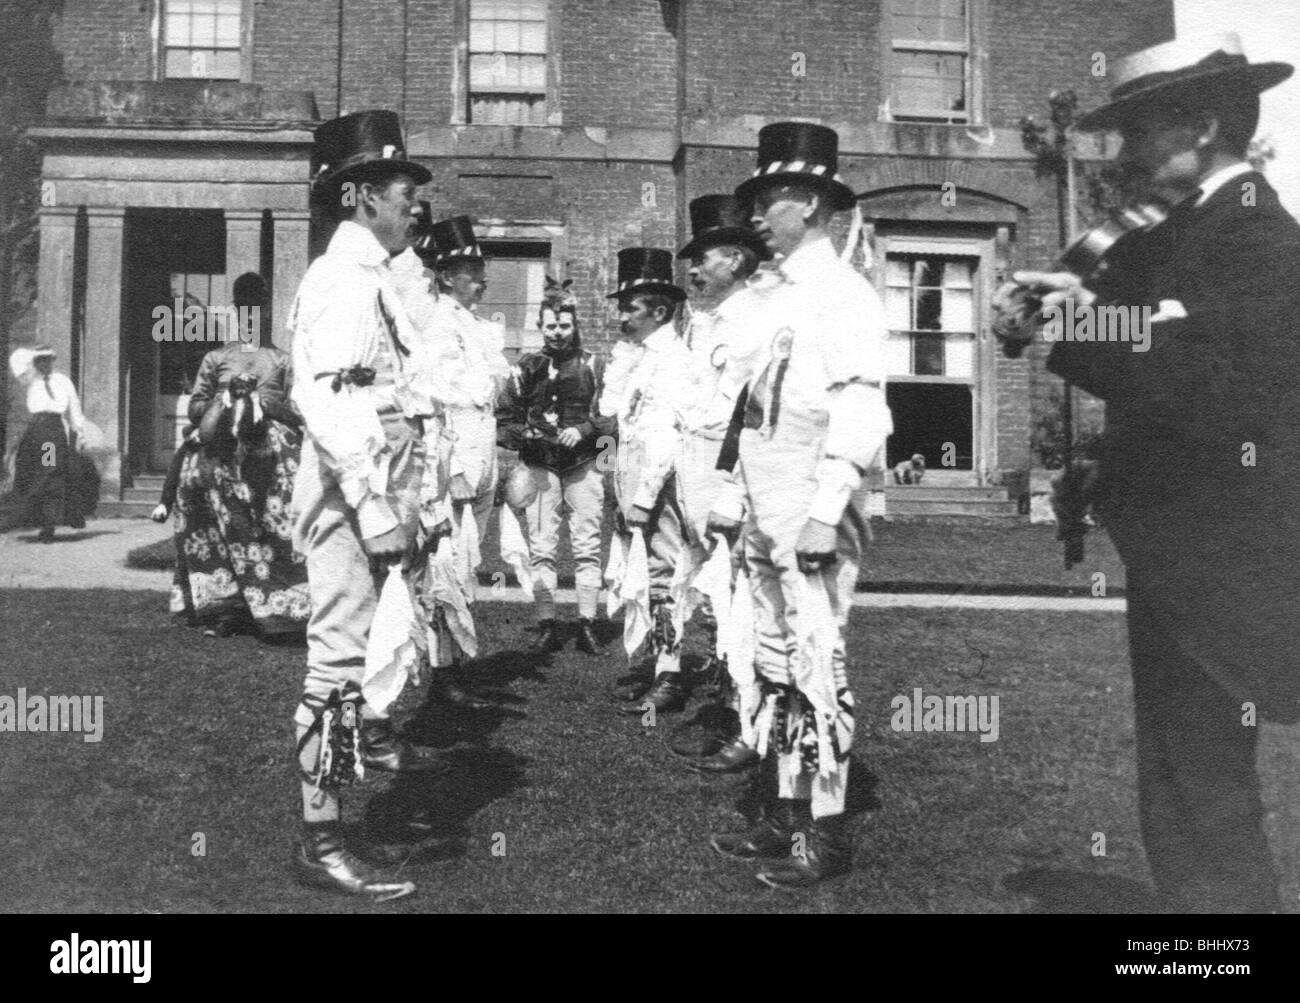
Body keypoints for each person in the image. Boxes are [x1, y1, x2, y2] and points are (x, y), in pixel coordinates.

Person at [1008, 33, 1300, 913]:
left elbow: (1216, 385)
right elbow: (1132, 325)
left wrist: (1080, 326)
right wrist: (1060, 305)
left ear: (1205, 125)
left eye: (1145, 129)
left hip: (1229, 552)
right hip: (1188, 546)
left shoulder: (1256, 236)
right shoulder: (1180, 232)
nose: (1127, 152)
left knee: (1200, 772)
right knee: (1187, 769)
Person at [705, 122, 892, 888]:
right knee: (775, 659)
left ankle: (825, 828)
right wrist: (733, 493)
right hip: (764, 498)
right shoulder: (769, 296)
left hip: (812, 500)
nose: (756, 212)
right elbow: (743, 403)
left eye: (770, 196)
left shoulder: (842, 293)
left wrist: (827, 507)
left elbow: (863, 407)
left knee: (817, 658)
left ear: (810, 201)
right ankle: (784, 808)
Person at [288, 109, 442, 901]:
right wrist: (377, 507)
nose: (415, 201)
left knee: (354, 655)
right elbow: (330, 400)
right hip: (355, 491)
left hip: (375, 484)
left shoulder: (374, 275)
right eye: (401, 188)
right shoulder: (344, 280)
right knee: (338, 659)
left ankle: (331, 827)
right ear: (359, 195)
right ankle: (321, 839)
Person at [668, 194, 772, 772]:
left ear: (734, 258)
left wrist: (731, 489)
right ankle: (733, 709)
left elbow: (749, 415)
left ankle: (750, 726)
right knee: (712, 598)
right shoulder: (710, 321)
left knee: (740, 601)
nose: (693, 267)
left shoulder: (756, 320)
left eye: (703, 256)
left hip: (728, 467)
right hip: (696, 463)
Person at [168, 272, 310, 640]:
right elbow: (196, 406)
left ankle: (279, 607)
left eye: (257, 308)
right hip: (221, 456)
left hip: (272, 456)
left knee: (270, 526)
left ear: (266, 312)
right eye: (244, 308)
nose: (252, 315)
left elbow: (301, 411)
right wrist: (224, 398)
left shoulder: (282, 360)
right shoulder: (217, 357)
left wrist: (271, 404)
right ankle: (228, 607)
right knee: (218, 526)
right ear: (236, 312)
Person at [599, 247, 693, 714]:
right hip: (633, 476)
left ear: (659, 310)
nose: (621, 317)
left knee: (665, 575)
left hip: (660, 483)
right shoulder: (638, 357)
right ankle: (661, 664)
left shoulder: (673, 357)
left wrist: (645, 495)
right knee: (649, 572)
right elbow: (619, 420)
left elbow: (668, 437)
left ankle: (671, 674)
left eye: (630, 307)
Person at [497, 278, 613, 655]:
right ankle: (546, 621)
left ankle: (587, 621)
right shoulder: (526, 367)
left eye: (564, 326)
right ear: (540, 327)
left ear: (575, 325)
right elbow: (504, 419)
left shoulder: (596, 364)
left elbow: (612, 417)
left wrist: (584, 429)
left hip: (585, 463)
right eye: (551, 326)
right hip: (541, 465)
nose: (558, 333)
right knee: (542, 546)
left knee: (587, 544)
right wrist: (526, 433)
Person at [0, 345, 96, 541]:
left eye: (47, 359)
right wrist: (34, 355)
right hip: (34, 432)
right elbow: (18, 360)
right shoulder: (30, 379)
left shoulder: (63, 381)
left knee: (49, 473)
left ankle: (48, 525)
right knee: (26, 473)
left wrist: (81, 434)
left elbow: (75, 408)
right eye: (39, 360)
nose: (43, 363)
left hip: (51, 435)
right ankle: (17, 517)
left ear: (53, 361)